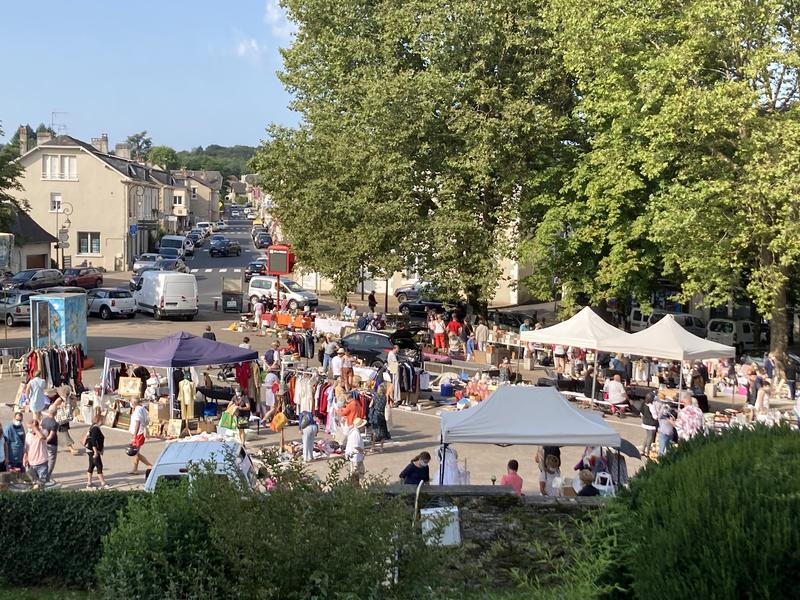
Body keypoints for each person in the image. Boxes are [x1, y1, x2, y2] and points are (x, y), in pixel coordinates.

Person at [83, 409, 109, 489]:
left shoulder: (93, 427)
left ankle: (89, 483)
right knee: (99, 465)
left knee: (92, 465)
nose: (105, 421)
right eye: (104, 420)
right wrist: (95, 452)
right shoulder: (95, 429)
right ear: (100, 420)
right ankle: (103, 483)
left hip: (90, 449)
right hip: (93, 450)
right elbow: (93, 441)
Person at [128, 397, 152, 474]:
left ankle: (149, 465)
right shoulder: (140, 409)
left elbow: (137, 423)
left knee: (135, 452)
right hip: (137, 433)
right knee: (136, 452)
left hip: (138, 434)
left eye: (130, 401)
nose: (130, 403)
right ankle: (135, 469)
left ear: (134, 402)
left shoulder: (138, 410)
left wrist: (134, 435)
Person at [23, 417, 49, 487]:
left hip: (42, 463)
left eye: (30, 428)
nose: (29, 430)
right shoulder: (28, 435)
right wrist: (25, 458)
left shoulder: (44, 431)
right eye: (28, 428)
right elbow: (26, 448)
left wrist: (35, 428)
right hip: (31, 463)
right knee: (34, 484)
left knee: (41, 484)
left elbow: (42, 437)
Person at [368, 383, 391, 453]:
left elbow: (370, 405)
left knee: (374, 431)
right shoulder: (386, 397)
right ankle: (381, 447)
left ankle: (373, 447)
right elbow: (387, 405)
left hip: (375, 415)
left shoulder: (375, 396)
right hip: (382, 415)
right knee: (382, 431)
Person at [40, 406, 59, 482]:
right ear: (55, 413)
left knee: (44, 459)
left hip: (44, 443)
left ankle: (42, 474)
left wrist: (43, 442)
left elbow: (41, 430)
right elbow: (51, 435)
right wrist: (46, 441)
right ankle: (47, 476)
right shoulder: (54, 423)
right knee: (51, 460)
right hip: (52, 444)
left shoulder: (44, 420)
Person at [345, 418, 367, 483]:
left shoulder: (353, 432)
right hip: (356, 457)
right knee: (359, 473)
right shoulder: (356, 434)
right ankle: (359, 486)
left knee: (356, 473)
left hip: (354, 457)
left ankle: (356, 485)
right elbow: (356, 446)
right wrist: (363, 451)